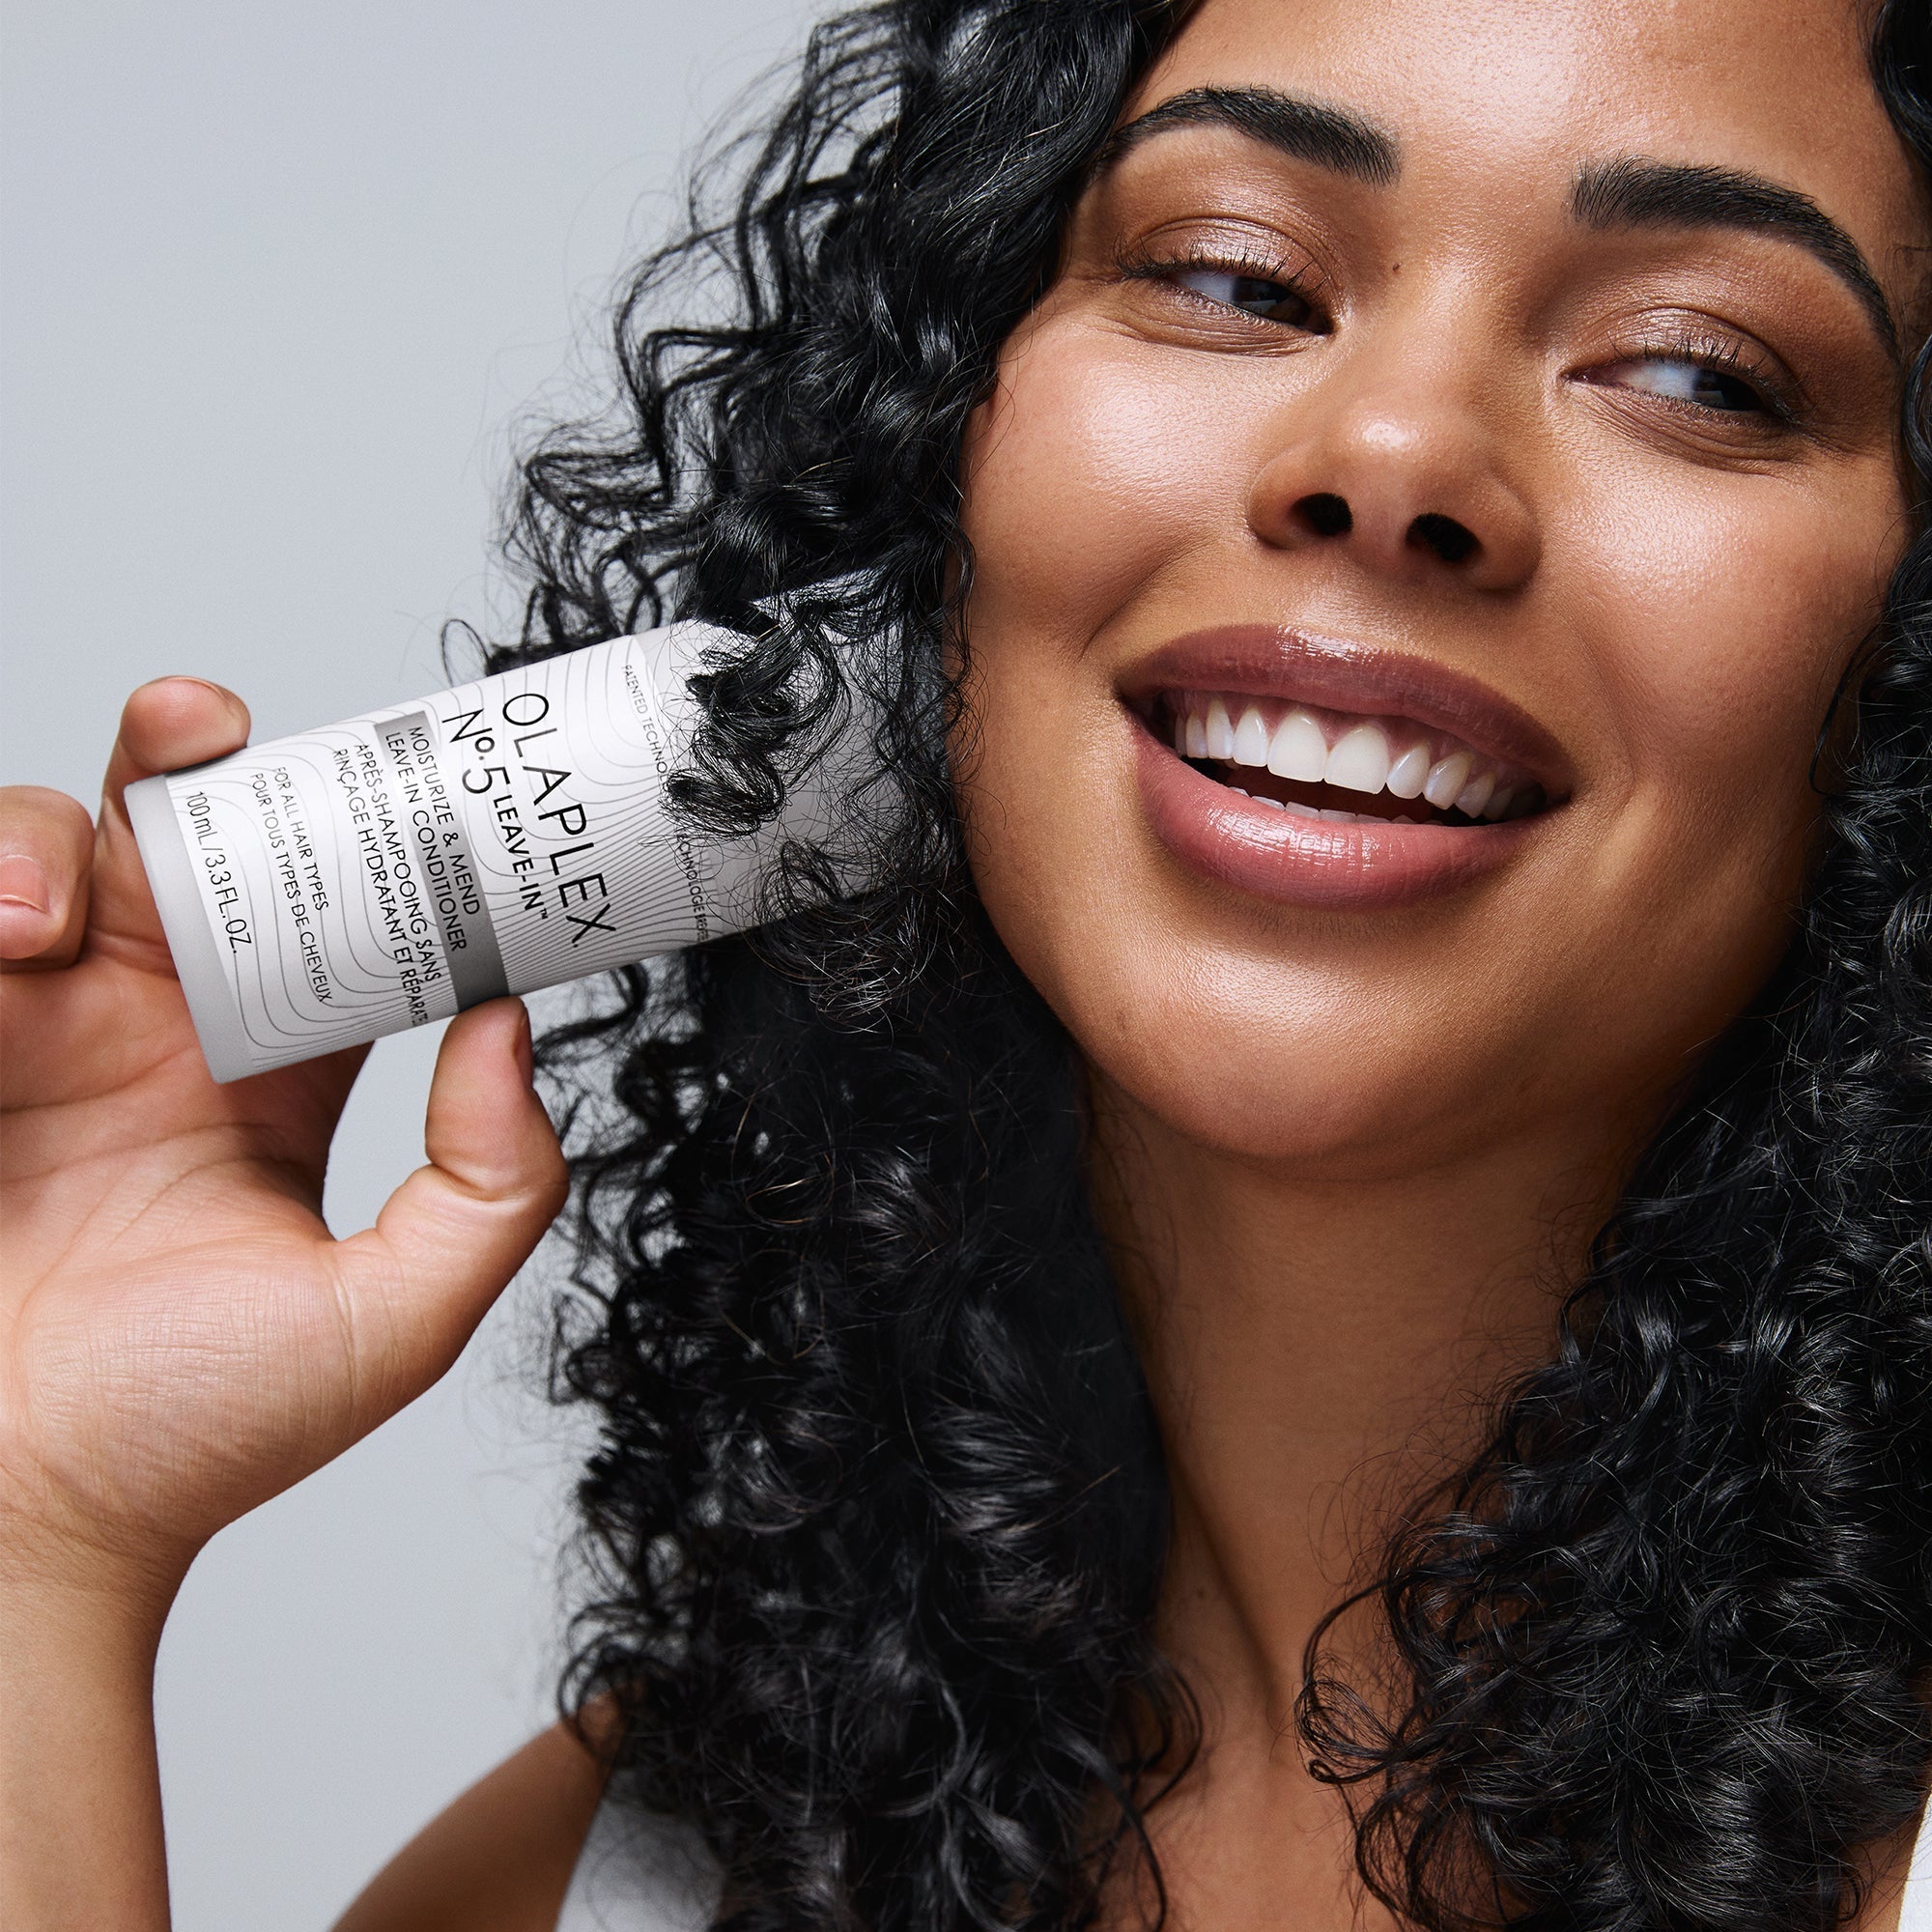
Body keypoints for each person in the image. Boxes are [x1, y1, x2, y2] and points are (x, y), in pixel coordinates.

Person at [5, 0, 1930, 1926]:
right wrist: (39, 1519)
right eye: (1234, 278)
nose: (1395, 452)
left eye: (1696, 373)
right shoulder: (593, 1888)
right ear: (940, 499)